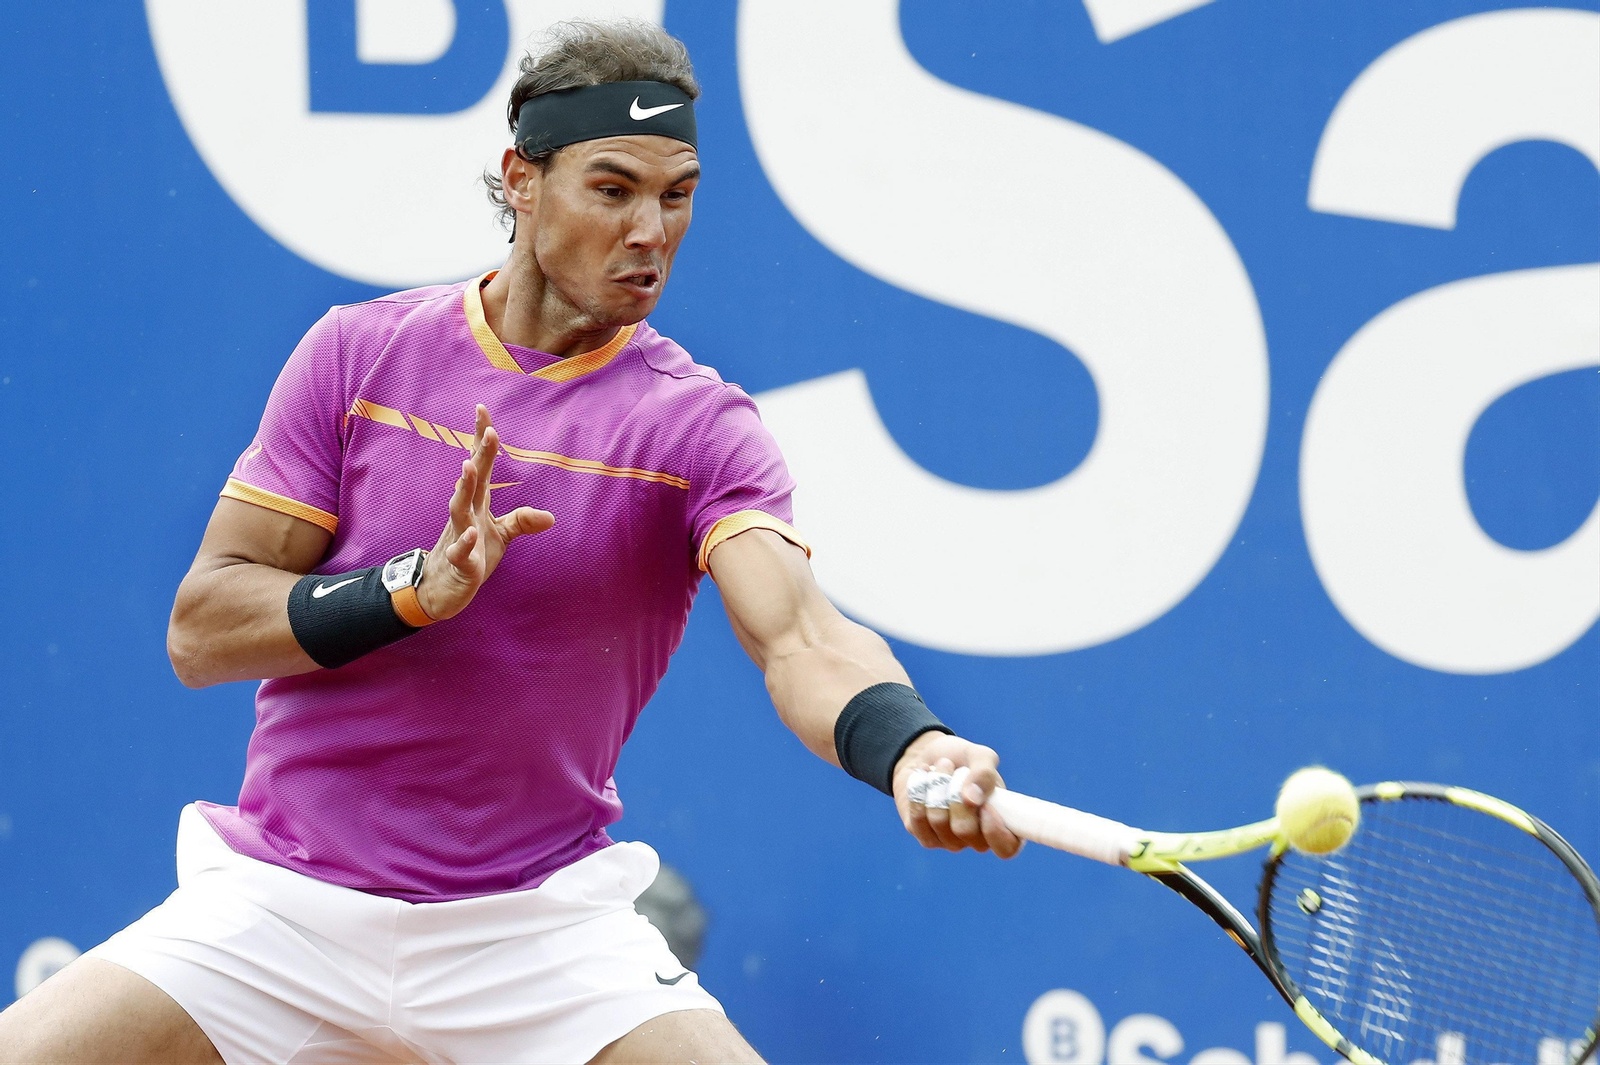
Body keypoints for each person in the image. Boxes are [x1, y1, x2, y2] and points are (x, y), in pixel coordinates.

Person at [0, 19, 1019, 1065]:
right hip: (282, 908)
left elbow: (800, 639)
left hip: (531, 934)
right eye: (611, 188)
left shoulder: (698, 429)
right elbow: (203, 628)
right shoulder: (357, 357)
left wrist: (909, 746)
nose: (649, 232)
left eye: (677, 195)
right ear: (520, 180)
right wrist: (404, 593)